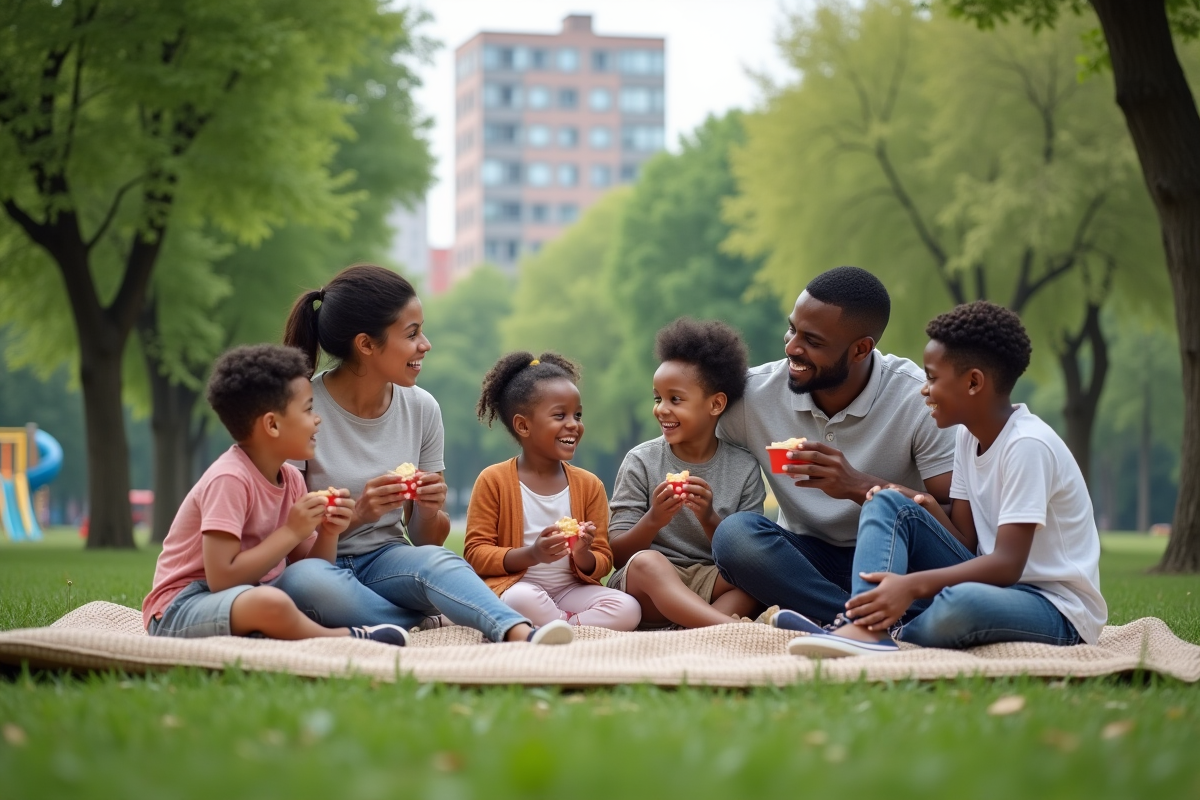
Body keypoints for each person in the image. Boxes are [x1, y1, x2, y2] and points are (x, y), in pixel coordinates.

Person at [273, 265, 572, 645]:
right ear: (366, 345)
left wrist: (428, 511)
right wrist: (360, 513)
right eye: (412, 334)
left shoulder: (421, 407)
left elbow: (426, 540)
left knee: (441, 563)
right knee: (304, 583)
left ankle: (518, 631)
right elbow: (291, 542)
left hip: (389, 561)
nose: (425, 344)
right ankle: (421, 620)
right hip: (320, 563)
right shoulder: (302, 409)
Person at [789, 301, 1107, 657]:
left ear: (973, 382)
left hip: (1055, 608)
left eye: (932, 378)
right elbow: (965, 540)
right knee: (884, 499)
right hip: (994, 588)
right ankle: (862, 628)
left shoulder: (1027, 445)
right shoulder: (968, 437)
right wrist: (915, 506)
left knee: (962, 603)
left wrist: (912, 586)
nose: (924, 390)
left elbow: (1007, 565)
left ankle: (878, 631)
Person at [712, 266, 956, 626]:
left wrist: (856, 485)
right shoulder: (753, 396)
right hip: (806, 563)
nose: (791, 347)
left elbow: (952, 526)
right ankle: (870, 622)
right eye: (792, 329)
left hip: (897, 562)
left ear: (861, 349)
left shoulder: (918, 399)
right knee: (735, 536)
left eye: (813, 341)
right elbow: (692, 447)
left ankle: (848, 621)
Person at [142, 344, 409, 645]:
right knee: (270, 604)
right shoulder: (229, 479)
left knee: (289, 591)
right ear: (272, 424)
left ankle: (280, 631)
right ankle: (344, 638)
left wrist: (329, 532)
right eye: (308, 409)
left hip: (248, 596)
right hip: (182, 606)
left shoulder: (291, 478)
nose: (317, 419)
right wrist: (292, 531)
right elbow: (222, 580)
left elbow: (311, 569)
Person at [464, 352, 641, 631]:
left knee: (628, 608)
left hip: (571, 590)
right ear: (523, 425)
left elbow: (603, 559)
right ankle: (569, 625)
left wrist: (583, 554)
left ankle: (561, 625)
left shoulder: (589, 485)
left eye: (577, 415)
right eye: (560, 415)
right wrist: (532, 554)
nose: (573, 424)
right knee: (521, 600)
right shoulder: (493, 480)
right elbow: (476, 553)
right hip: (518, 587)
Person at [608, 318, 767, 628]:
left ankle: (692, 629)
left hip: (710, 581)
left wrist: (708, 518)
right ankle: (725, 628)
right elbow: (618, 556)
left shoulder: (744, 468)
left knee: (755, 578)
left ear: (716, 404)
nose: (661, 409)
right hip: (648, 589)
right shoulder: (641, 461)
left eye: (675, 399)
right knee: (648, 563)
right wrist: (654, 519)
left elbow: (745, 555)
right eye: (658, 398)